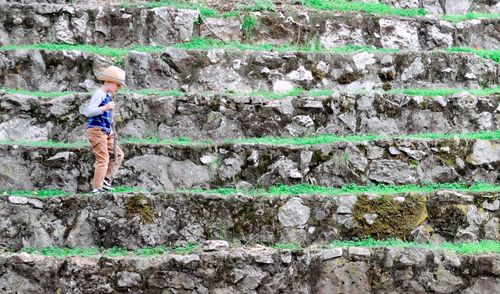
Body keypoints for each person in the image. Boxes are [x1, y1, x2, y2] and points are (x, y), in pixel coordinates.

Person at [84, 66, 126, 194]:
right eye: (117, 85)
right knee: (103, 158)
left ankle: (106, 180)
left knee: (118, 154)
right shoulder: (99, 94)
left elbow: (107, 117)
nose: (118, 89)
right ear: (108, 82)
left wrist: (110, 131)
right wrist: (105, 107)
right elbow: (89, 112)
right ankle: (97, 187)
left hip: (106, 131)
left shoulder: (107, 96)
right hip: (97, 131)